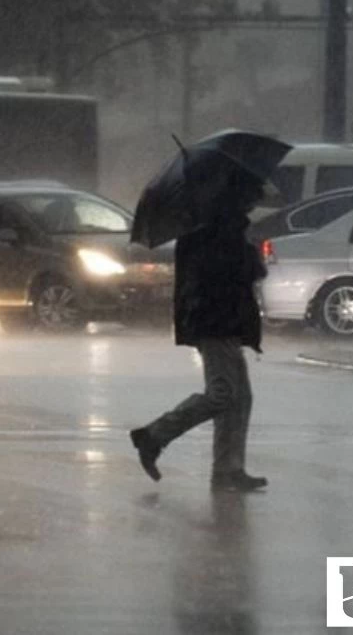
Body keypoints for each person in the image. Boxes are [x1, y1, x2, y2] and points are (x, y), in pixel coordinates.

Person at [130, 171, 269, 492]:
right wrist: (250, 257)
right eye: (250, 197)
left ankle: (229, 469)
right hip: (215, 322)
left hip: (222, 321)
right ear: (236, 197)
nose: (253, 204)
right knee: (224, 394)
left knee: (240, 397)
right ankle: (154, 436)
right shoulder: (216, 230)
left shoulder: (214, 227)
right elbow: (233, 274)